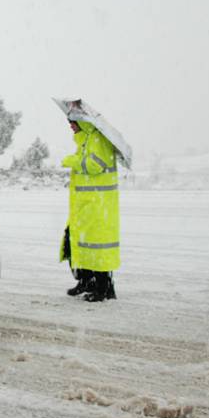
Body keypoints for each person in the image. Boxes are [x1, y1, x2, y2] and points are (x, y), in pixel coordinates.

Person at [60, 114, 120, 302]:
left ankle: (103, 289)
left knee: (97, 247)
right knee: (76, 243)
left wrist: (71, 161)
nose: (70, 125)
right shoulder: (85, 140)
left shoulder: (98, 139)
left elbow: (95, 165)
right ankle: (86, 281)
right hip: (85, 204)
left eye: (73, 121)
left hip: (97, 205)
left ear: (83, 121)